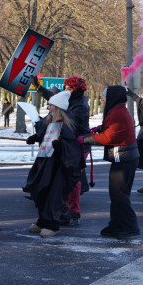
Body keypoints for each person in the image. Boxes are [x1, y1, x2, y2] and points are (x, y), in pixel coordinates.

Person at [82, 86, 139, 238]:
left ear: (112, 97)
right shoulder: (118, 110)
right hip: (124, 156)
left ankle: (130, 227)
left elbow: (109, 137)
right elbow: (113, 130)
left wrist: (86, 139)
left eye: (106, 96)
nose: (104, 99)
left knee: (120, 195)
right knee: (116, 194)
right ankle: (117, 225)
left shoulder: (117, 113)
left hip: (123, 158)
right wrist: (100, 128)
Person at [23, 91, 81, 238]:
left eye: (52, 105)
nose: (49, 108)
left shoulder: (67, 125)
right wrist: (35, 138)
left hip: (58, 166)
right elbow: (45, 136)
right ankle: (42, 221)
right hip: (45, 163)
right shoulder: (51, 121)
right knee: (41, 191)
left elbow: (73, 147)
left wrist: (61, 146)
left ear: (59, 107)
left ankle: (52, 225)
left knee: (53, 195)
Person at [60, 76, 90, 226]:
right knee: (65, 177)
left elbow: (70, 122)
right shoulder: (70, 100)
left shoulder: (81, 105)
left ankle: (74, 212)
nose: (66, 90)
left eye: (70, 88)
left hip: (79, 145)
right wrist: (39, 88)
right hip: (69, 143)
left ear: (77, 90)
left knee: (74, 179)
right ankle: (64, 209)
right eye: (65, 87)